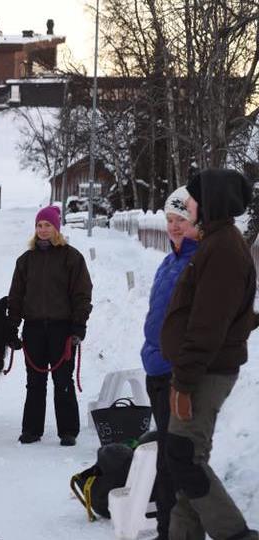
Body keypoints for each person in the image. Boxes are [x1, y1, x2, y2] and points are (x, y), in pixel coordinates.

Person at [160, 169, 258, 540]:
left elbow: (207, 325)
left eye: (194, 198)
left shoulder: (223, 249)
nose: (188, 204)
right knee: (187, 460)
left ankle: (235, 534)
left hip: (204, 373)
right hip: (199, 370)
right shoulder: (218, 243)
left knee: (184, 458)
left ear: (212, 201)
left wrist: (183, 382)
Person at [7, 205, 92, 446]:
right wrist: (12, 327)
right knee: (34, 381)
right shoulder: (25, 260)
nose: (43, 230)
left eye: (47, 226)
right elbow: (16, 296)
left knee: (63, 380)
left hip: (61, 328)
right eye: (39, 226)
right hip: (33, 327)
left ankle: (68, 430)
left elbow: (82, 293)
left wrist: (79, 325)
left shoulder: (71, 257)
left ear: (56, 228)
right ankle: (32, 429)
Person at [140, 186, 198, 538]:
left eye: (182, 220)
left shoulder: (198, 262)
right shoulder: (170, 260)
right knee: (166, 456)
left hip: (178, 373)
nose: (175, 227)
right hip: (156, 370)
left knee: (176, 460)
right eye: (170, 219)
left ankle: (173, 531)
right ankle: (168, 527)